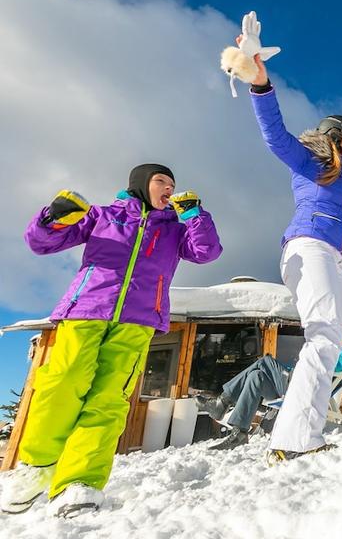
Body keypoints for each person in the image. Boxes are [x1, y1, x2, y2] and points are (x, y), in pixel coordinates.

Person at [1, 164, 222, 517]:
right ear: (140, 184)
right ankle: (36, 466)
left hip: (138, 319)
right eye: (161, 181)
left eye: (173, 184)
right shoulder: (103, 216)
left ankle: (80, 481)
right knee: (63, 381)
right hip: (86, 309)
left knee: (109, 398)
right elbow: (42, 243)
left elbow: (206, 251)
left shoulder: (174, 231)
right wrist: (53, 217)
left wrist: (195, 215)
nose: (169, 188)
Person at [240, 23, 342, 463]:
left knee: (328, 340)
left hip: (334, 259)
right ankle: (294, 439)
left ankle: (300, 433)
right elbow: (274, 136)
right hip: (309, 247)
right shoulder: (310, 163)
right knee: (324, 337)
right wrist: (260, 84)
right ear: (332, 136)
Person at [198, 325, 342, 450]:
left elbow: (337, 365)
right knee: (256, 376)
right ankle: (239, 433)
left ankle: (222, 402)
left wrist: (312, 358)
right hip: (294, 381)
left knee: (264, 362)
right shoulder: (338, 349)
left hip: (299, 384)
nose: (338, 333)